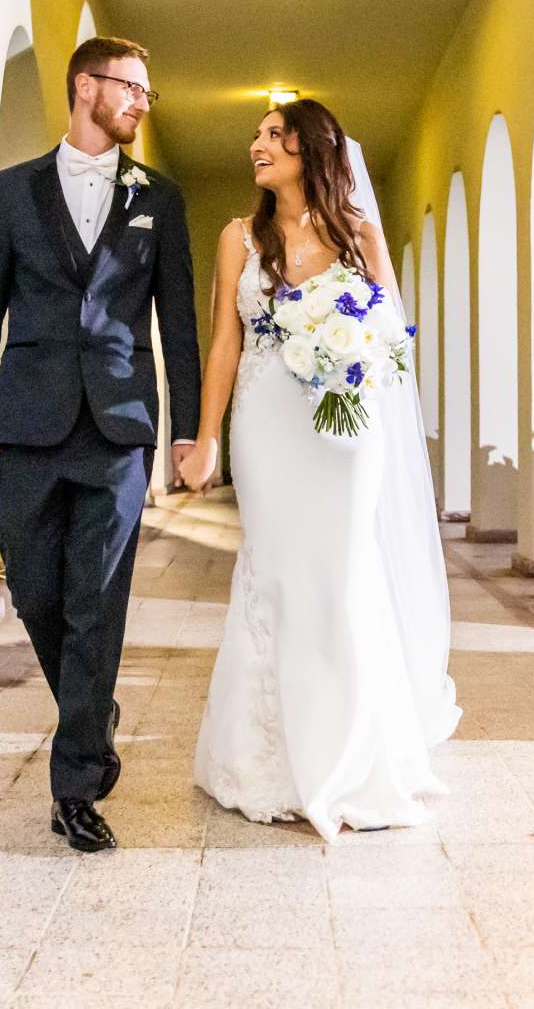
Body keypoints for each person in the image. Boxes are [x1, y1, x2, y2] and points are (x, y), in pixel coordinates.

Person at [178, 98, 461, 839]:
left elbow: (392, 341)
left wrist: (351, 356)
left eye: (275, 136)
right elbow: (224, 348)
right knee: (275, 573)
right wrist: (206, 438)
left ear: (311, 150)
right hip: (268, 427)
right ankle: (269, 760)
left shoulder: (359, 235)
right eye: (258, 135)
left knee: (341, 572)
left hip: (347, 432)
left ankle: (352, 756)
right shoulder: (238, 238)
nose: (257, 146)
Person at [0, 35, 200, 854]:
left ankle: (76, 784)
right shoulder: (11, 193)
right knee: (34, 591)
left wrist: (190, 430)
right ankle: (91, 705)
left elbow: (180, 324)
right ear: (85, 87)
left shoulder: (158, 199)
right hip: (25, 420)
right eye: (131, 88)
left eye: (146, 92)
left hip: (120, 429)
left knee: (97, 598)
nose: (140, 102)